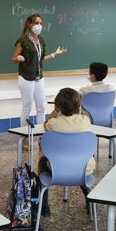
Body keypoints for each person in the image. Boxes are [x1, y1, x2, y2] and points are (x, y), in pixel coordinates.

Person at [39, 87, 95, 217]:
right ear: (79, 105)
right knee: (80, 164)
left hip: (57, 170)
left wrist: (54, 111)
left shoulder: (53, 123)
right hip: (83, 169)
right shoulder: (85, 121)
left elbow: (45, 124)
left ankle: (44, 207)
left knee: (42, 161)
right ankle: (89, 201)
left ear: (58, 106)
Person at [11, 13, 67, 127]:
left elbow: (40, 60)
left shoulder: (41, 40)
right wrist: (18, 58)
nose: (39, 25)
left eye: (41, 23)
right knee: (27, 107)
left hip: (39, 77)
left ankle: (41, 133)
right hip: (26, 78)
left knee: (41, 107)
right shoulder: (23, 40)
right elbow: (13, 59)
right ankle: (25, 136)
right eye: (37, 23)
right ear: (30, 25)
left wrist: (54, 54)